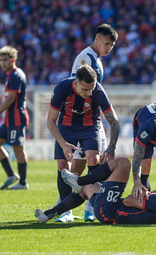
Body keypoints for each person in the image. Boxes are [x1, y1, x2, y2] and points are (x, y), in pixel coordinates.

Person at [55, 23, 118, 222]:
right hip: (82, 119)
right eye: (106, 43)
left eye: (112, 46)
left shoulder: (97, 59)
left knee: (86, 164)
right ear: (97, 39)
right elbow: (78, 88)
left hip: (91, 118)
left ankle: (74, 206)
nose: (108, 48)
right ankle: (72, 207)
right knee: (82, 164)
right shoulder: (86, 58)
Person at [47, 65, 120, 221]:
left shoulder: (98, 91)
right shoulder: (62, 88)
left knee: (94, 160)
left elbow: (114, 121)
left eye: (91, 89)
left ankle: (92, 207)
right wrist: (63, 144)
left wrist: (111, 147)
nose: (89, 93)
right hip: (66, 126)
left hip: (89, 125)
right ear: (76, 84)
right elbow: (51, 121)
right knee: (62, 166)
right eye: (85, 89)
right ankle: (66, 213)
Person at [35, 157, 156, 224]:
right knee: (87, 188)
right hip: (110, 211)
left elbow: (128, 201)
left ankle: (78, 180)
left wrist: (147, 194)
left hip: (110, 211)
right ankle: (49, 214)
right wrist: (150, 195)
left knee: (123, 163)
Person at [0, 46, 29, 190]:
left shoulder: (16, 75)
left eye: (6, 60)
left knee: (18, 150)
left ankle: (23, 183)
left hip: (17, 118)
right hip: (10, 119)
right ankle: (11, 175)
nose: (3, 63)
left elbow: (11, 99)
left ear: (13, 60)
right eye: (1, 60)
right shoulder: (11, 75)